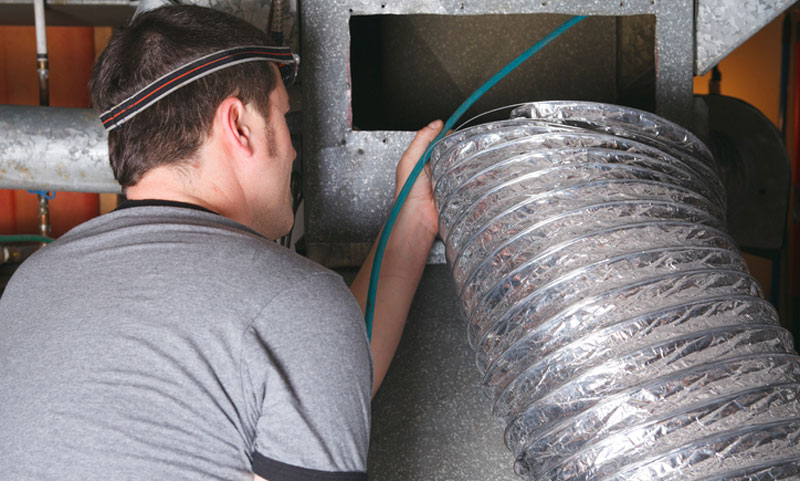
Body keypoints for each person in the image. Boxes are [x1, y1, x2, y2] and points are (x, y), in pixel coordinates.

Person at [0, 5, 443, 481]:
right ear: (238, 126)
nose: (294, 150)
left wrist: (412, 219)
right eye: (282, 118)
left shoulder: (28, 289)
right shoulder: (291, 305)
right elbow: (289, 348)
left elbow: (308, 384)